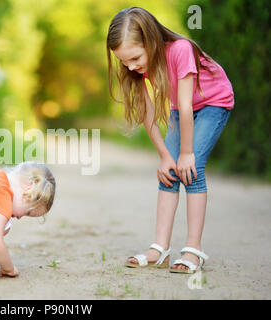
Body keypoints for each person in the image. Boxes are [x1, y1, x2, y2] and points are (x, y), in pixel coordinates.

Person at [106, 7, 234, 273]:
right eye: (124, 61)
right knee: (169, 172)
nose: (131, 66)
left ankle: (193, 250)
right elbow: (147, 111)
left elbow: (186, 106)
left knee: (192, 169)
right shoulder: (136, 66)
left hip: (212, 103)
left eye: (135, 58)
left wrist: (186, 153)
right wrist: (165, 155)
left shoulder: (181, 49)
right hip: (182, 109)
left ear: (150, 40)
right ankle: (159, 248)